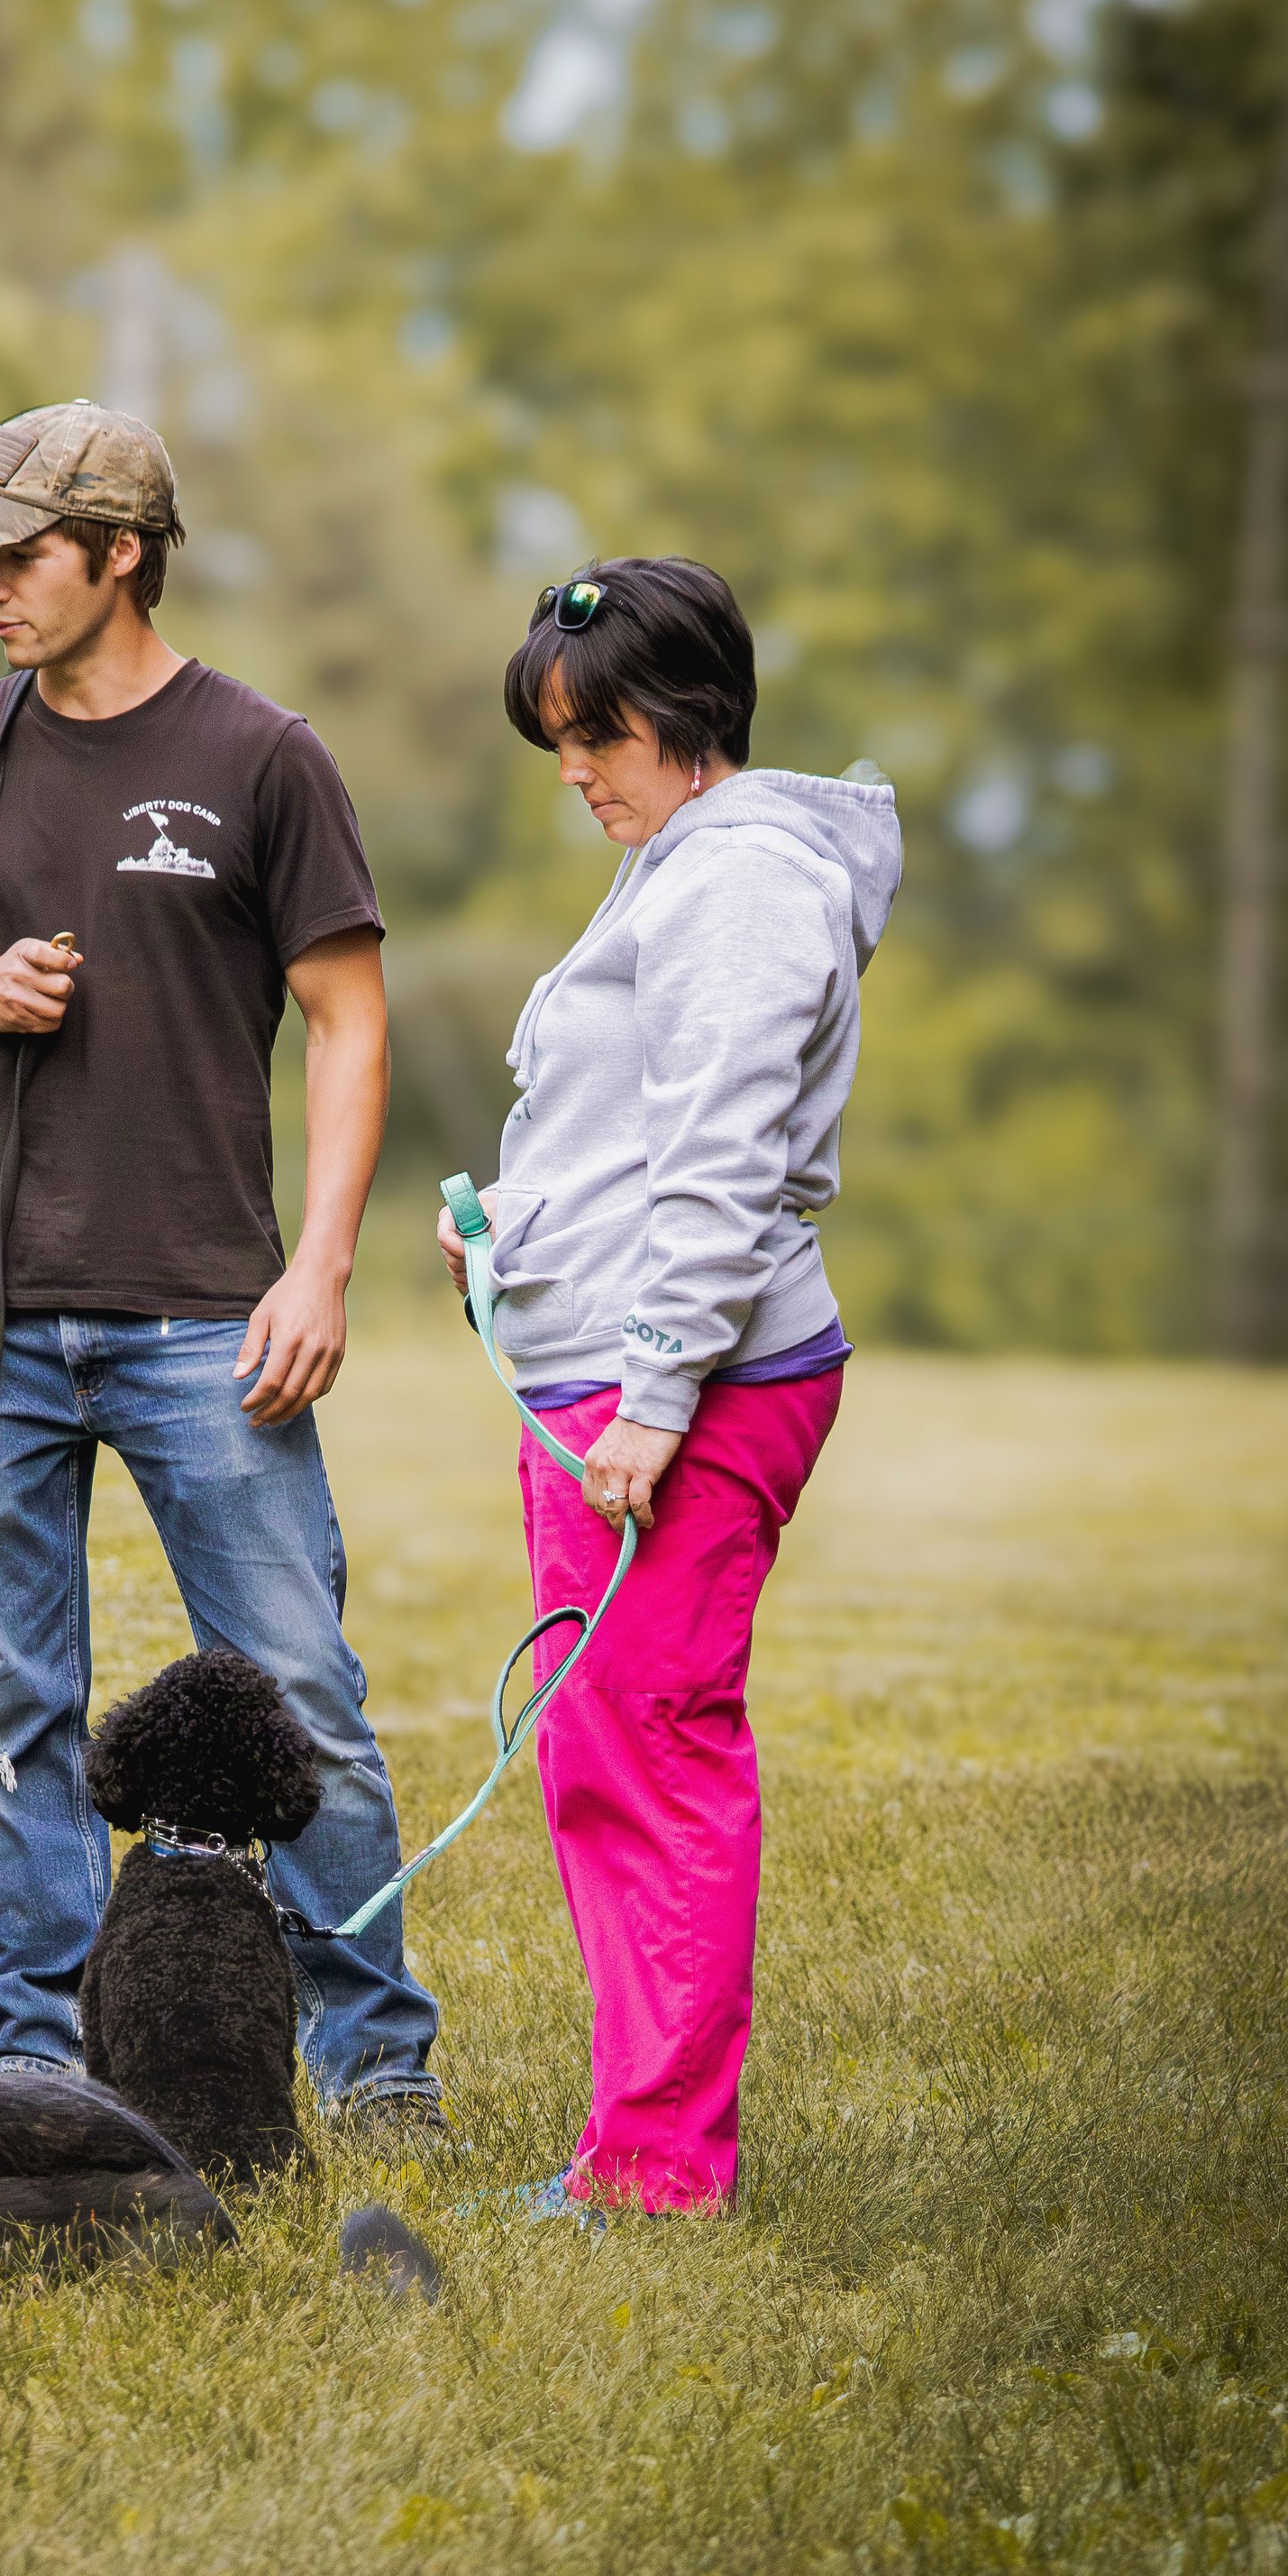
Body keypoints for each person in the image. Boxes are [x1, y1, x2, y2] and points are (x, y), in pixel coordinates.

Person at [0, 399, 443, 2137]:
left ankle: (375, 2058)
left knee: (295, 1680)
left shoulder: (264, 758)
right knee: (11, 1703)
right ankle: (34, 2054)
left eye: (18, 555)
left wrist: (320, 1266)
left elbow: (348, 1020)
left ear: (123, 555)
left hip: (205, 1313)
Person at [439, 557, 900, 2219]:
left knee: (653, 1751)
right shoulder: (683, 862)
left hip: (679, 1400)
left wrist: (648, 1391)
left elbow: (721, 1157)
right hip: (615, 1377)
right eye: (558, 737)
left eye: (597, 734)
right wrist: (518, 1246)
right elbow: (632, 1136)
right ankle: (636, 2142)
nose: (573, 769)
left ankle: (656, 2170)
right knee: (605, 1752)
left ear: (688, 716)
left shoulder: (740, 882)